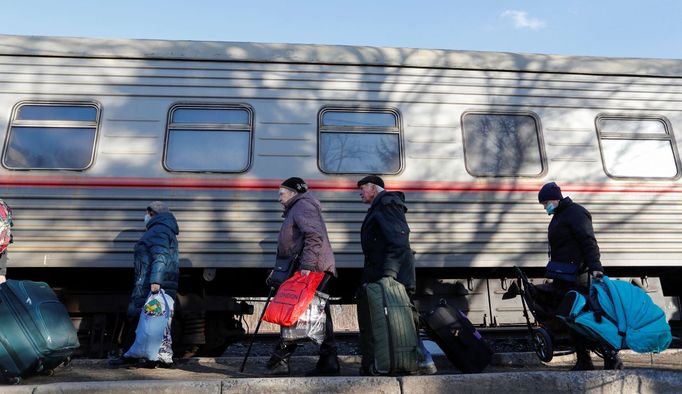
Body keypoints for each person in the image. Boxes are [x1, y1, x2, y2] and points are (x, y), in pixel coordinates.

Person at [357, 175, 436, 375]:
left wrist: (389, 275)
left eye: (362, 189)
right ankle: (413, 360)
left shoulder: (387, 204)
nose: (360, 193)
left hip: (395, 275)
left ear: (373, 188)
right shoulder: (381, 205)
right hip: (387, 273)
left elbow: (399, 240)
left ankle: (423, 360)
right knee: (399, 319)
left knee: (402, 319)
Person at [537, 182, 622, 370]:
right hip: (564, 276)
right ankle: (584, 360)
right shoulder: (559, 215)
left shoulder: (576, 213)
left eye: (545, 203)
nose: (545, 207)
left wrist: (596, 267)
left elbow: (588, 241)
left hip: (579, 275)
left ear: (555, 198)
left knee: (589, 318)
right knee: (571, 320)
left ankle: (611, 357)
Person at [266, 177, 340, 376]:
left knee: (298, 311)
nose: (279, 198)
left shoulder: (302, 207)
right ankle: (328, 361)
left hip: (312, 269)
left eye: (282, 193)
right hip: (312, 268)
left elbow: (314, 236)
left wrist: (306, 266)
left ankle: (280, 360)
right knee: (316, 314)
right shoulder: (298, 207)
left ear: (293, 193)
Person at [109, 201, 180, 368]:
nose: (145, 217)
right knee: (156, 321)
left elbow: (160, 256)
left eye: (147, 213)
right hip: (154, 281)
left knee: (139, 317)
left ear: (152, 213)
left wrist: (155, 281)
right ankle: (154, 357)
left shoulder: (159, 230)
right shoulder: (164, 229)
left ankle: (130, 356)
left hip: (149, 283)